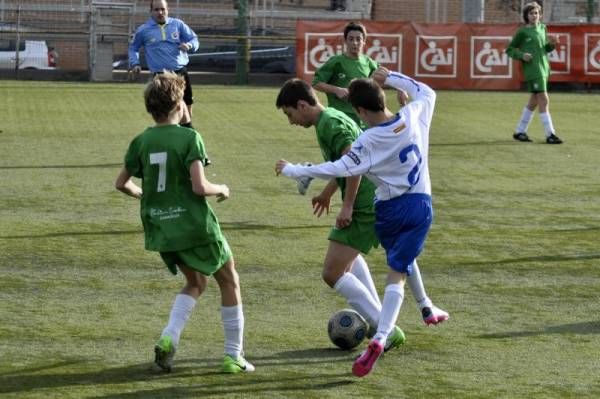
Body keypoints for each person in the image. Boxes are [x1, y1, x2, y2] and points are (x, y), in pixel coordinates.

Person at [275, 67, 446, 377]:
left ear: (360, 110)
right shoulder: (412, 115)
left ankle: (384, 332)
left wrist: (297, 171)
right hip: (421, 204)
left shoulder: (366, 138)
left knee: (352, 272)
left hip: (385, 207)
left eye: (289, 114)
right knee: (401, 262)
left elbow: (342, 165)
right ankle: (422, 308)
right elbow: (427, 92)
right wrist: (391, 76)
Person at [115, 71, 254, 374]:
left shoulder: (141, 141)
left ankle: (168, 338)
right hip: (194, 225)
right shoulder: (190, 137)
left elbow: (121, 183)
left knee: (195, 282)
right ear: (180, 105)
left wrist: (145, 196)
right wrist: (223, 189)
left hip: (163, 230)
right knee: (229, 280)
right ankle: (233, 356)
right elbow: (199, 187)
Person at [128, 0, 211, 164]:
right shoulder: (144, 30)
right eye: (156, 9)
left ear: (168, 10)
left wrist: (189, 45)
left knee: (186, 111)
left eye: (163, 9)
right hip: (161, 78)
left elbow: (194, 39)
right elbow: (134, 48)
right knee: (178, 112)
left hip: (181, 73)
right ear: (150, 11)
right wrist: (135, 63)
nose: (160, 12)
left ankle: (180, 146)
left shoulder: (178, 25)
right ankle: (198, 154)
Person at [506, 1, 563, 144]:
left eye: (536, 13)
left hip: (543, 69)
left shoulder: (543, 28)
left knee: (533, 102)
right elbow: (510, 49)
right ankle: (550, 134)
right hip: (532, 70)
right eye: (531, 13)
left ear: (540, 15)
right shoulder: (523, 32)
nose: (534, 15)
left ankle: (520, 131)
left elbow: (544, 49)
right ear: (526, 16)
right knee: (544, 99)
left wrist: (553, 44)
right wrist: (522, 55)